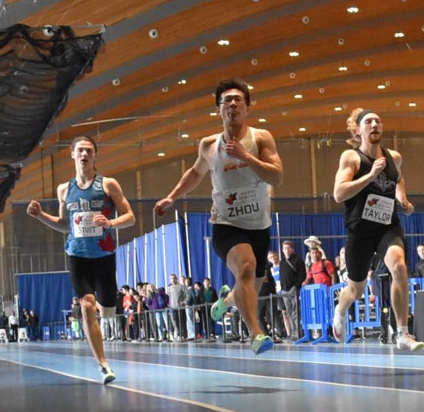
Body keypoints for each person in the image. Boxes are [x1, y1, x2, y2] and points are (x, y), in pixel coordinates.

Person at [154, 78, 283, 355]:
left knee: (248, 286)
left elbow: (277, 176)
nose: (233, 104)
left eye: (238, 99)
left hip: (259, 226)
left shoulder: (261, 138)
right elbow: (195, 173)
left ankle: (225, 301)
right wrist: (172, 197)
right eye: (227, 100)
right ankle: (257, 334)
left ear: (247, 107)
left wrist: (246, 157)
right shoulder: (209, 145)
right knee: (246, 267)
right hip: (226, 224)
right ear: (218, 110)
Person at [26, 135, 134, 384]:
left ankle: (105, 313)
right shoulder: (64, 189)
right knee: (86, 306)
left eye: (89, 150)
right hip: (77, 255)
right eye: (80, 151)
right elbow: (65, 225)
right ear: (72, 155)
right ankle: (103, 365)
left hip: (104, 255)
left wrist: (111, 222)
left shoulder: (108, 185)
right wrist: (41, 215)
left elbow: (130, 217)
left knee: (107, 310)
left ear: (95, 155)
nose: (84, 154)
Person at [330, 108, 424, 351]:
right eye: (368, 122)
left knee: (400, 266)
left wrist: (403, 200)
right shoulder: (351, 158)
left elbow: (398, 179)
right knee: (356, 290)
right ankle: (340, 309)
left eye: (378, 121)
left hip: (386, 226)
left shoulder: (394, 157)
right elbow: (339, 194)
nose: (374, 125)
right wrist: (371, 175)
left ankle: (402, 332)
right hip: (360, 230)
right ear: (358, 130)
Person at [278, 239, 306, 339]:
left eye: (288, 248)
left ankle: (299, 333)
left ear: (292, 249)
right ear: (282, 250)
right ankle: (293, 333)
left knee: (296, 312)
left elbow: (302, 275)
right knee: (289, 313)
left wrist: (296, 286)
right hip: (284, 290)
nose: (286, 250)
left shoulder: (298, 260)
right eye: (284, 248)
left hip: (293, 289)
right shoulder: (282, 262)